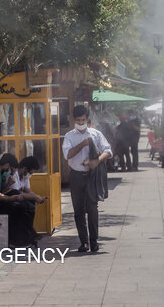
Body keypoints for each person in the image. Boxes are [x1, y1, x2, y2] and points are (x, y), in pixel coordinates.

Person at [62, 105, 112, 253]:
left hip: (92, 176)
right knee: (78, 210)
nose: (81, 122)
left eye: (83, 120)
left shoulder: (96, 134)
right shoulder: (69, 136)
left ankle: (94, 241)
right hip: (76, 175)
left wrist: (97, 161)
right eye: (78, 120)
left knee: (92, 208)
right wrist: (82, 144)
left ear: (87, 119)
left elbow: (108, 150)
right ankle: (84, 242)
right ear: (73, 120)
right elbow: (68, 155)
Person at [1, 156, 46, 242]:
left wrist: (38, 197)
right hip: (10, 199)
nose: (30, 174)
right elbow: (18, 193)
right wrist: (36, 197)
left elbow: (27, 190)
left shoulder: (25, 176)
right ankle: (26, 233)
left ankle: (30, 231)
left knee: (32, 202)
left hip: (18, 197)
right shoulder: (14, 175)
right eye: (30, 172)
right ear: (24, 168)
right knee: (27, 205)